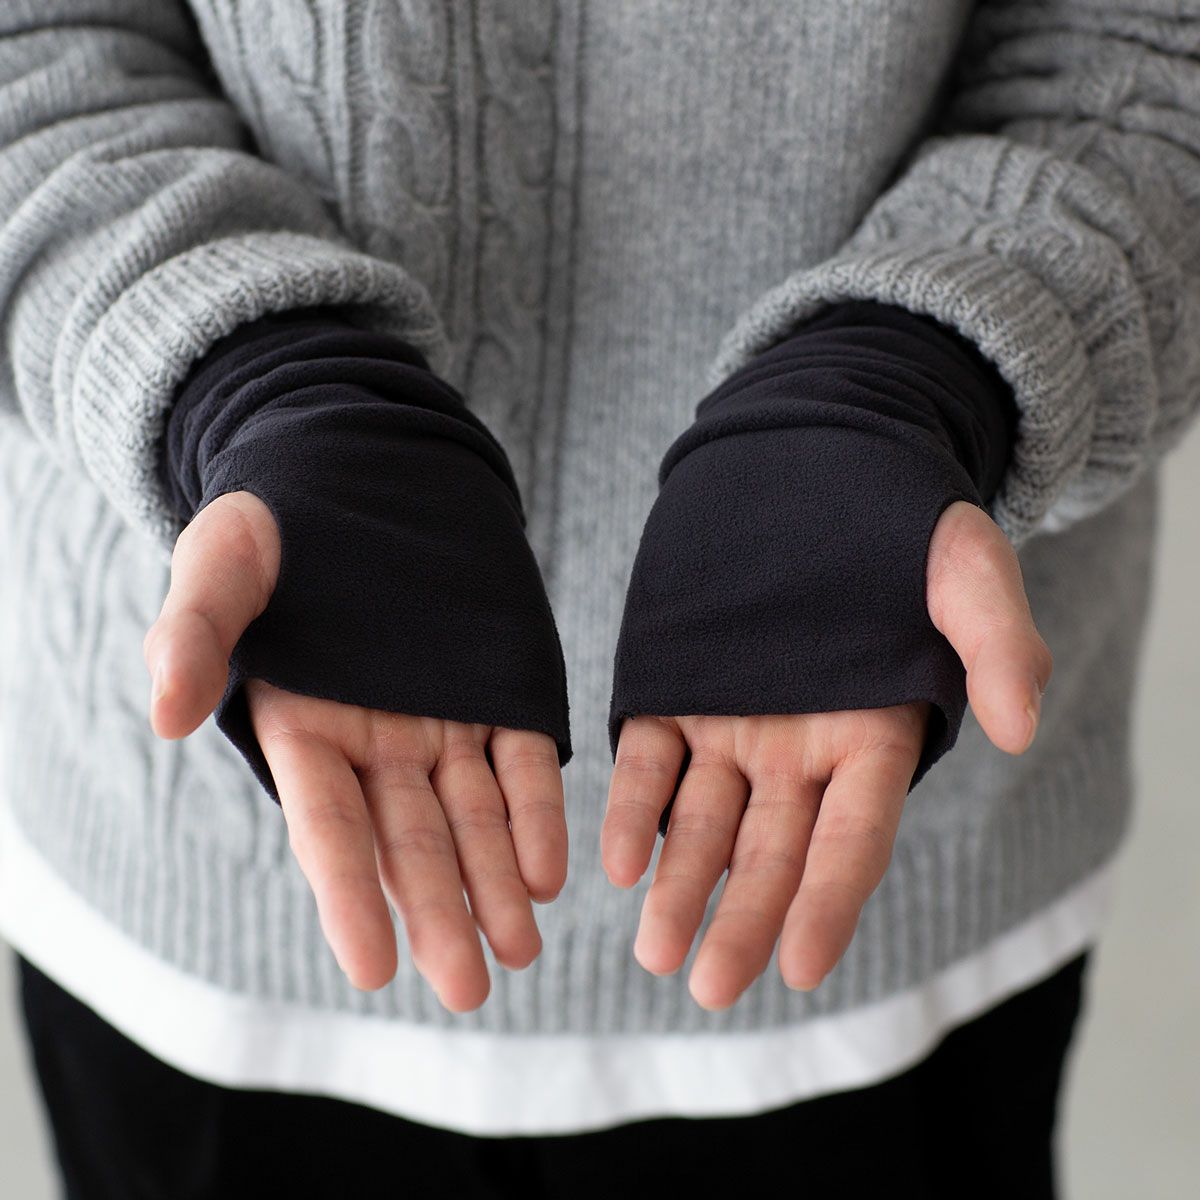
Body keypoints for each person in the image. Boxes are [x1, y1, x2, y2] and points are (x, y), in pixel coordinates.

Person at [0, 1, 1194, 1197]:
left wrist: (915, 375)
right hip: (193, 899)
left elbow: (1154, 54)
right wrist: (251, 381)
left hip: (885, 884)